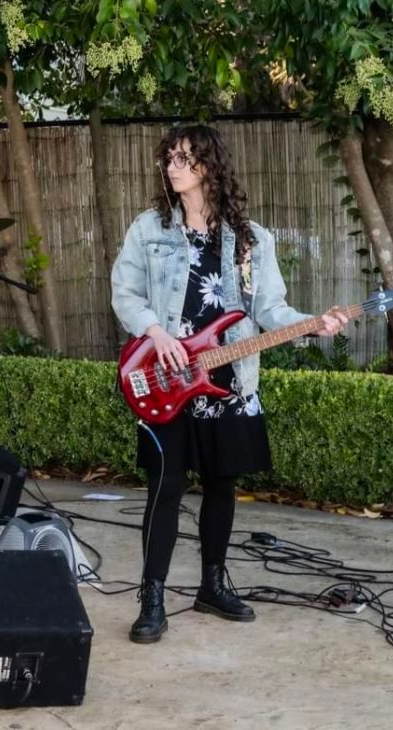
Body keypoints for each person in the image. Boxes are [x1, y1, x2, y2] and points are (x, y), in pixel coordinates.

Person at [110, 125, 349, 644]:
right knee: (165, 488)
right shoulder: (148, 229)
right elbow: (124, 293)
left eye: (183, 158)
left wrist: (313, 322)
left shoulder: (251, 240)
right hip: (168, 379)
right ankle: (152, 596)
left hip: (229, 380)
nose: (172, 166)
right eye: (168, 158)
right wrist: (156, 332)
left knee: (222, 485)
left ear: (208, 167)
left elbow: (270, 310)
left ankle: (212, 585)